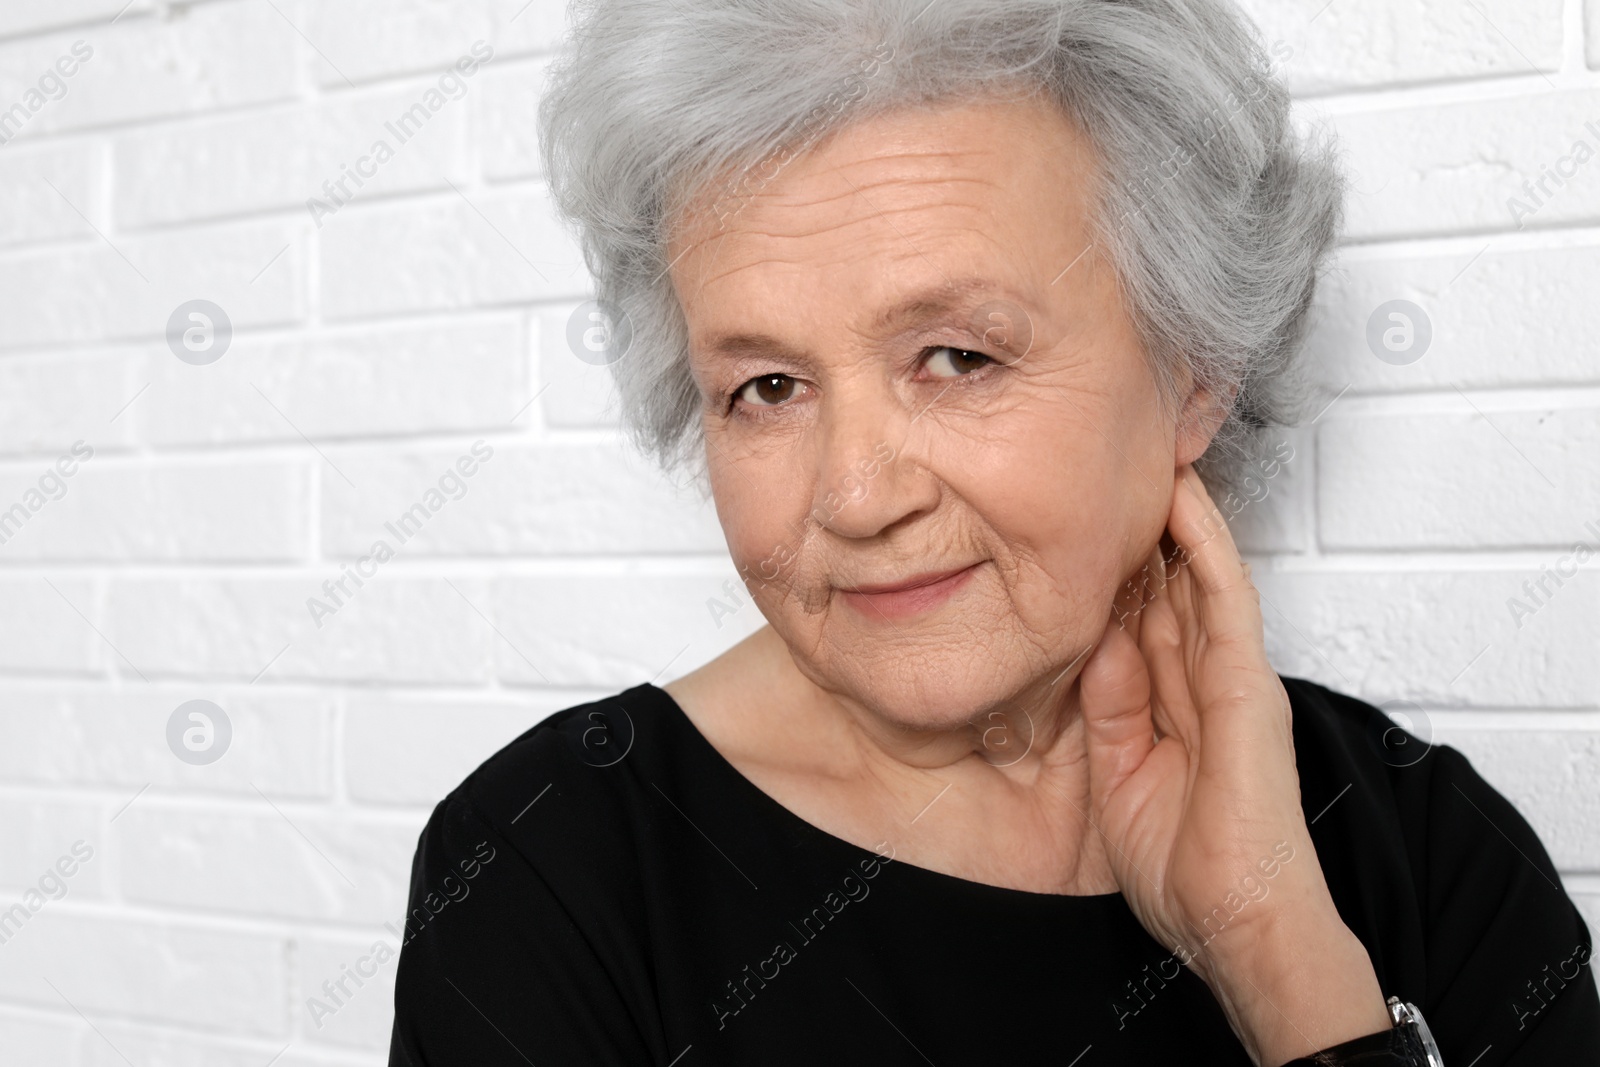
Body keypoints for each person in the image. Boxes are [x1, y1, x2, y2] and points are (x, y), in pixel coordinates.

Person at [388, 0, 1600, 1063]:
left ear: (1193, 371)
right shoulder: (548, 873)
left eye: (958, 357)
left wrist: (1286, 965)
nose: (857, 497)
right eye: (765, 386)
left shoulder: (1431, 859)